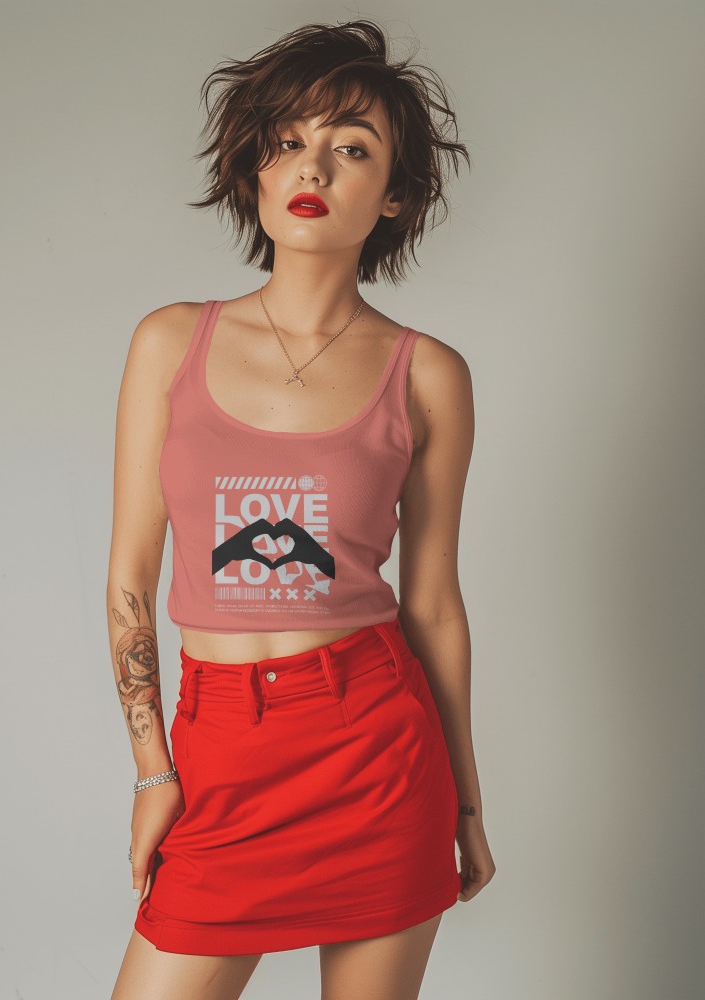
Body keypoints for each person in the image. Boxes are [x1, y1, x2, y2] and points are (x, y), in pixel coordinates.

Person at [108, 18, 495, 1000]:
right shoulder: (169, 342)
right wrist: (154, 770)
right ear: (254, 172)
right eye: (288, 139)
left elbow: (434, 607)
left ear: (394, 194)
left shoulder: (427, 376)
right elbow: (128, 583)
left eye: (352, 147)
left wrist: (464, 803)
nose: (312, 163)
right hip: (217, 750)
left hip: (373, 750)